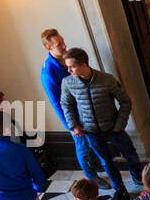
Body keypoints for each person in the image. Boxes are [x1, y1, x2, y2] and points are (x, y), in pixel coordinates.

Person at [59, 47, 143, 200]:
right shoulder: (67, 82)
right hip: (91, 132)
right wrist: (73, 125)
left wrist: (119, 124)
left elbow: (125, 101)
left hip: (113, 128)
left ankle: (138, 178)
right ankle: (120, 190)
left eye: (72, 66)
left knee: (131, 154)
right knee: (106, 161)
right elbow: (66, 104)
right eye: (67, 66)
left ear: (83, 64)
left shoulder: (107, 79)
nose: (68, 70)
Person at [39, 28, 107, 187]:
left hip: (86, 108)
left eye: (62, 41)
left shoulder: (68, 57)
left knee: (93, 140)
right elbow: (57, 103)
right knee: (82, 145)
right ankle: (91, 176)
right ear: (49, 48)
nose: (64, 46)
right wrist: (72, 126)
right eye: (59, 44)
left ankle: (95, 164)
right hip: (74, 116)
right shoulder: (48, 73)